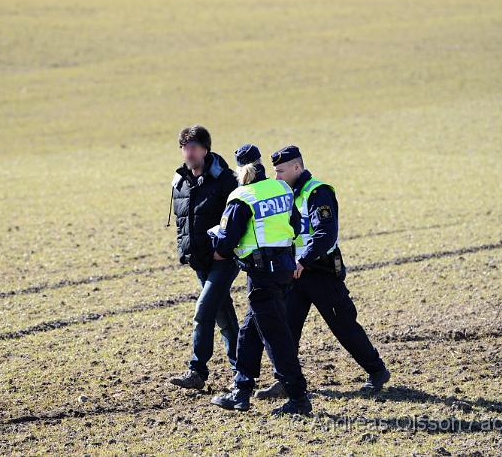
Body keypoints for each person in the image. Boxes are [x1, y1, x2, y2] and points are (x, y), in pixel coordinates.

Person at [254, 145, 390, 401]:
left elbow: (327, 233)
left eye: (281, 171)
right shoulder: (284, 195)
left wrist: (303, 260)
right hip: (294, 274)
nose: (277, 177)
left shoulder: (318, 192)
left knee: (343, 325)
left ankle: (377, 371)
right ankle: (285, 381)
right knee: (286, 330)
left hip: (320, 271)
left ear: (297, 167)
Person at [208, 144, 312, 416]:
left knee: (277, 337)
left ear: (240, 169)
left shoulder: (242, 196)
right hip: (283, 270)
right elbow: (295, 223)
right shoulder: (282, 189)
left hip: (261, 273)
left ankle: (298, 398)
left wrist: (218, 249)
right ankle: (241, 391)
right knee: (249, 330)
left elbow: (228, 240)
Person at [167, 125, 241, 390]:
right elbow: (182, 222)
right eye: (185, 147)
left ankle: (197, 371)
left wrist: (223, 250)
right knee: (224, 317)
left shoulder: (226, 180)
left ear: (205, 149)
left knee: (203, 311)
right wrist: (187, 252)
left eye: (194, 147)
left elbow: (237, 220)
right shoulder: (180, 181)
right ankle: (242, 372)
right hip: (200, 261)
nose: (189, 152)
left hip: (224, 259)